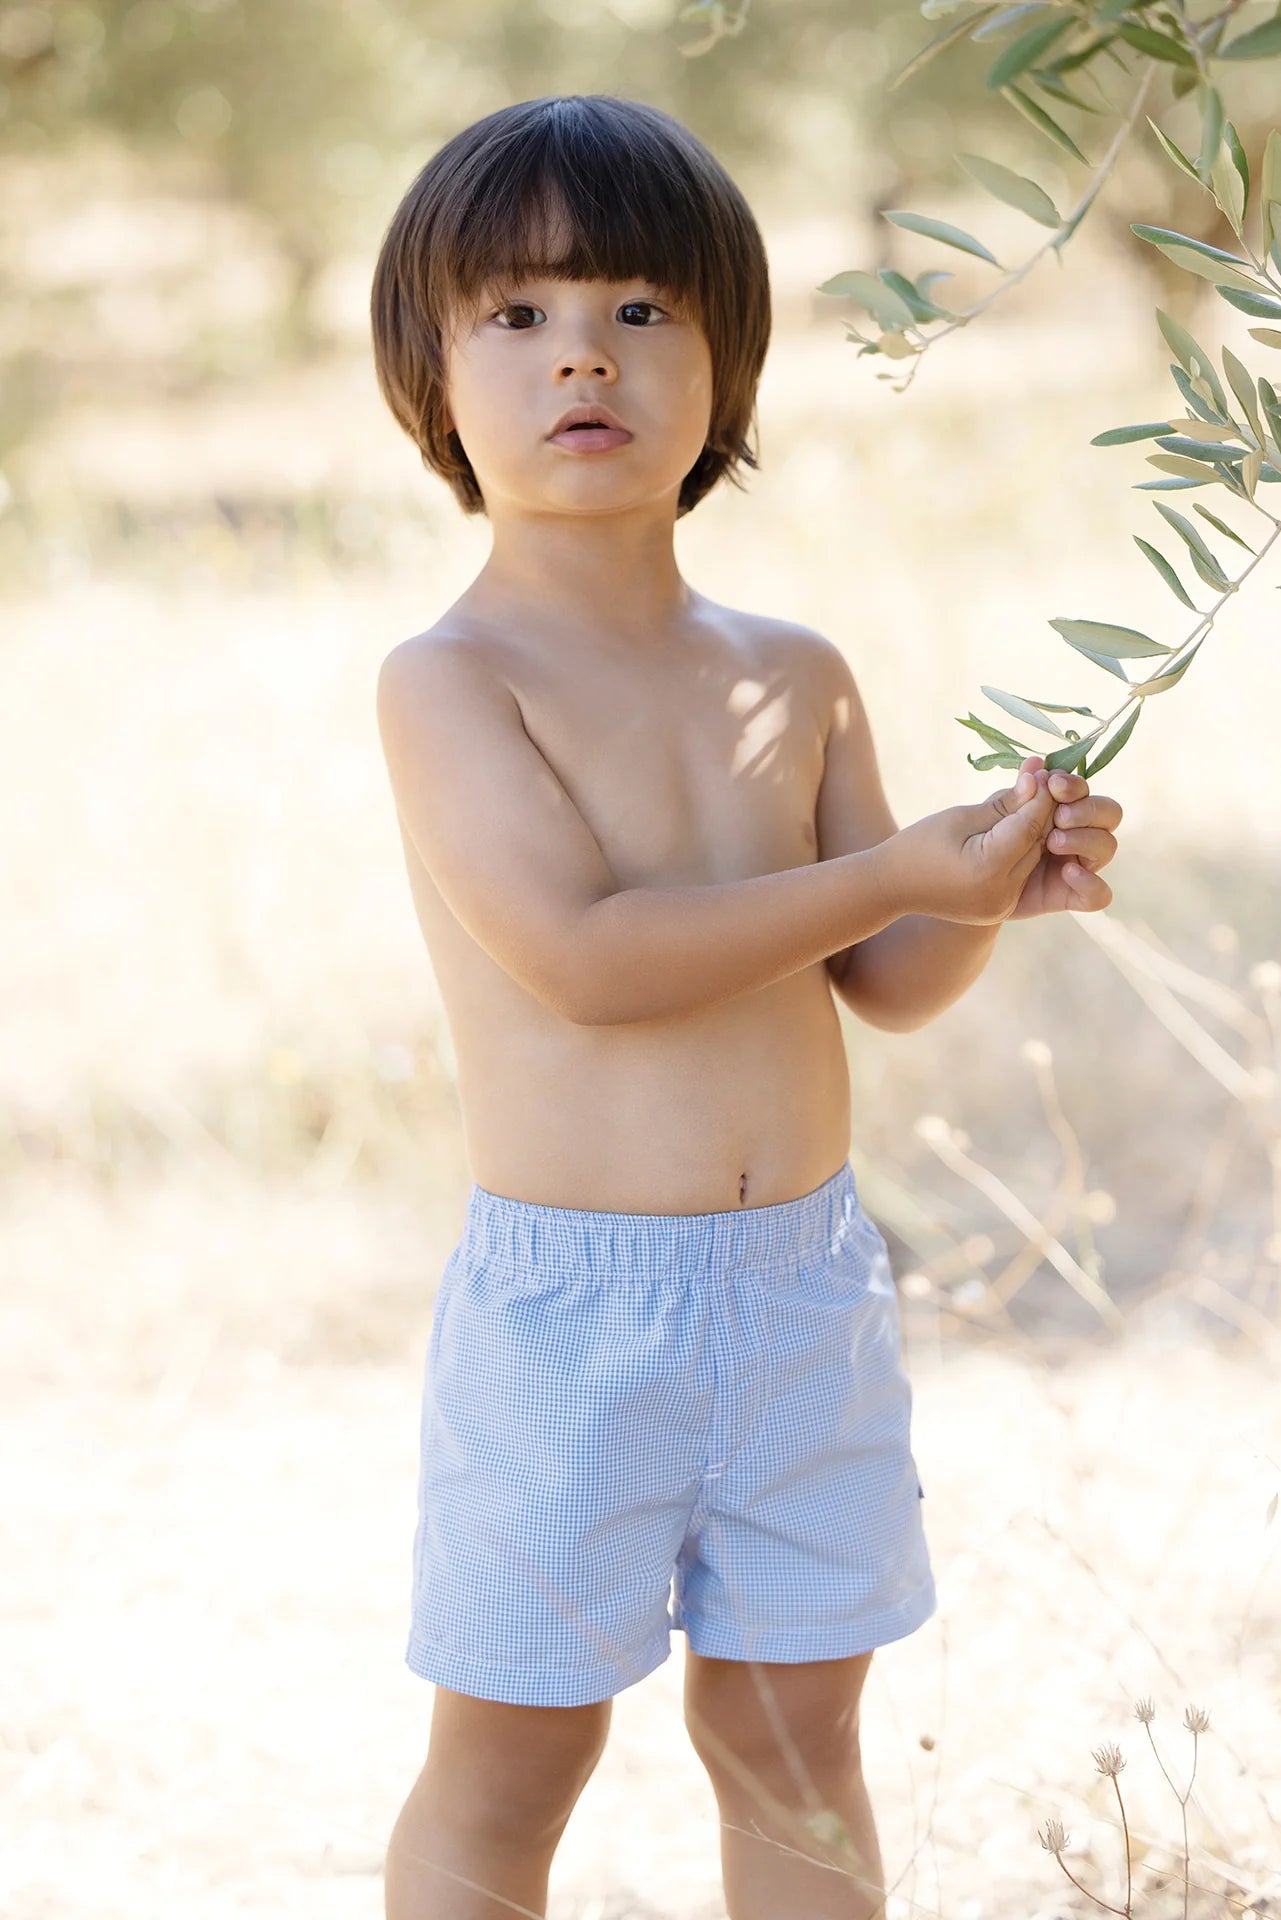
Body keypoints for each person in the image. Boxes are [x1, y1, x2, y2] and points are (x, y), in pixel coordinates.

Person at [369, 92, 1122, 1920]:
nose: (586, 359)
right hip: (571, 1320)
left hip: (800, 1294)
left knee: (794, 1748)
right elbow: (587, 960)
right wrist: (888, 875)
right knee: (515, 1759)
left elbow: (884, 983)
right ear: (430, 382)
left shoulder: (793, 673)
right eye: (522, 314)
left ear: (730, 368)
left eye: (643, 310)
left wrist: (988, 889)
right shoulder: (454, 681)